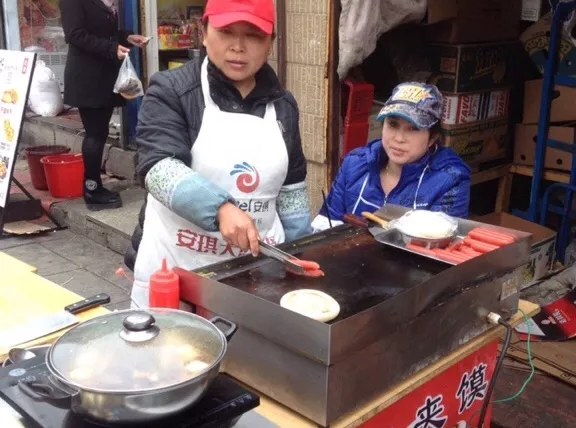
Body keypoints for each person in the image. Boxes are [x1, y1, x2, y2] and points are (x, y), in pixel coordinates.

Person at [125, 0, 311, 307]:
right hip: (174, 271)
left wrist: (301, 254)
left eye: (253, 36)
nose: (238, 47)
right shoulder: (172, 90)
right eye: (226, 32)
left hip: (253, 272)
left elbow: (292, 189)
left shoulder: (284, 106)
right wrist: (221, 209)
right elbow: (157, 168)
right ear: (204, 32)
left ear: (271, 42)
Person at [313, 82, 470, 231]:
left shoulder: (450, 178)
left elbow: (442, 243)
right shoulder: (354, 165)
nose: (399, 138)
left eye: (413, 129)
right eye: (393, 125)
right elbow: (327, 224)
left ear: (432, 138)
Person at [60, 0, 148, 211]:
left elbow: (102, 30)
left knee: (99, 133)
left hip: (103, 76)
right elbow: (75, 34)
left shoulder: (106, 2)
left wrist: (126, 37)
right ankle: (92, 188)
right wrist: (110, 48)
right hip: (87, 78)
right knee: (95, 134)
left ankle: (94, 185)